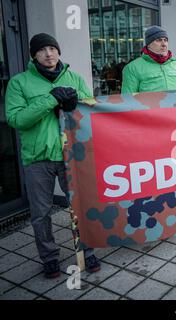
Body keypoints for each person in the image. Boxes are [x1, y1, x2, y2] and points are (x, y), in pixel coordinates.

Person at [5, 33, 101, 279]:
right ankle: (49, 257)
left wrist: (74, 105)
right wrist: (50, 99)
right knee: (41, 213)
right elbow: (17, 119)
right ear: (33, 55)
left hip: (71, 154)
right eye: (42, 50)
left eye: (52, 48)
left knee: (81, 206)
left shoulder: (74, 77)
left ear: (58, 52)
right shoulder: (19, 83)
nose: (48, 54)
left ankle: (87, 250)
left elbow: (90, 109)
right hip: (38, 158)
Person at [122, 26, 176, 93]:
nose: (164, 44)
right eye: (158, 40)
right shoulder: (133, 68)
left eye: (165, 40)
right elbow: (128, 99)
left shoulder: (175, 65)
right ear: (149, 45)